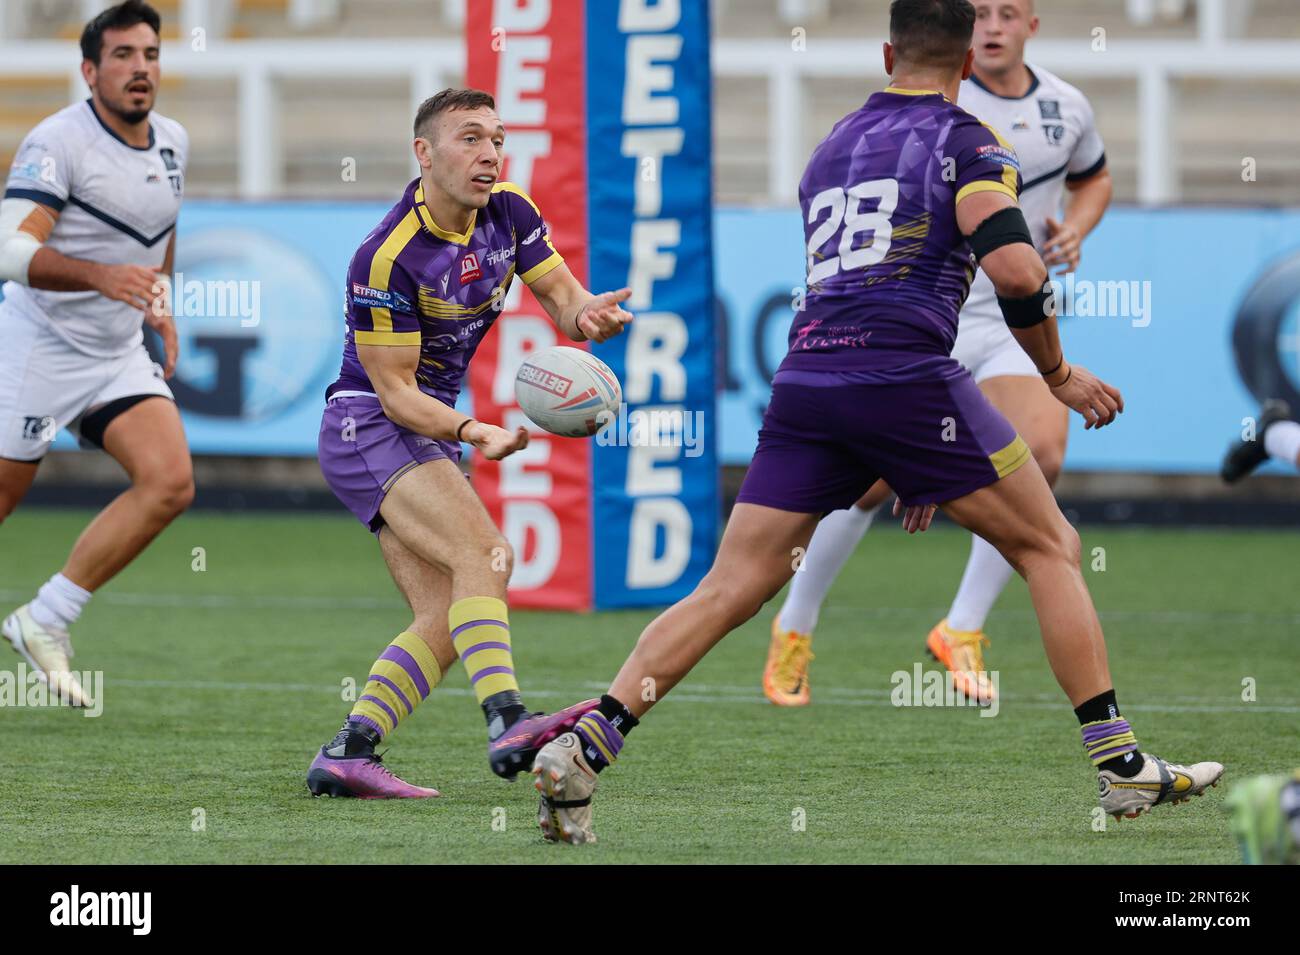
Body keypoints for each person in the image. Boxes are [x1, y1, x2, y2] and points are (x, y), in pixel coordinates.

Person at [531, 0, 1221, 845]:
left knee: (727, 590)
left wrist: (917, 456)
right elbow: (1014, 265)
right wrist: (1057, 372)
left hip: (809, 378)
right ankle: (1121, 769)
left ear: (888, 51)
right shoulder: (972, 142)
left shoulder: (830, 149)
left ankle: (584, 748)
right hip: (904, 372)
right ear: (966, 63)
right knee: (1051, 546)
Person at [764, 0, 1113, 708]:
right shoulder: (947, 111)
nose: (991, 26)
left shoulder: (1065, 107)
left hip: (1010, 315)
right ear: (959, 45)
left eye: (1007, 14)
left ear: (1031, 26)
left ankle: (962, 626)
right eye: (979, 14)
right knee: (865, 484)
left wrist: (1075, 229)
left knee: (1040, 453)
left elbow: (1093, 177)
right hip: (929, 315)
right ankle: (795, 624)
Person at [306, 88, 635, 798]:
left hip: (425, 431)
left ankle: (347, 752)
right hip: (368, 423)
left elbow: (563, 301)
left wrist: (590, 316)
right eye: (469, 138)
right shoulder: (386, 256)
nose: (488, 153)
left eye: (496, 138)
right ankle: (508, 718)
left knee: (450, 613)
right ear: (423, 153)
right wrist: (471, 428)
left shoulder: (510, 212)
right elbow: (393, 392)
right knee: (487, 552)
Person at [0, 1, 191, 709]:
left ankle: (44, 617)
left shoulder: (172, 140)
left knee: (169, 481)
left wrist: (157, 304)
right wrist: (105, 277)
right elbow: (11, 250)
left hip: (114, 351)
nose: (140, 68)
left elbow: (161, 231)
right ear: (90, 69)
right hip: (39, 343)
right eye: (122, 55)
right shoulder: (58, 142)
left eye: (150, 53)